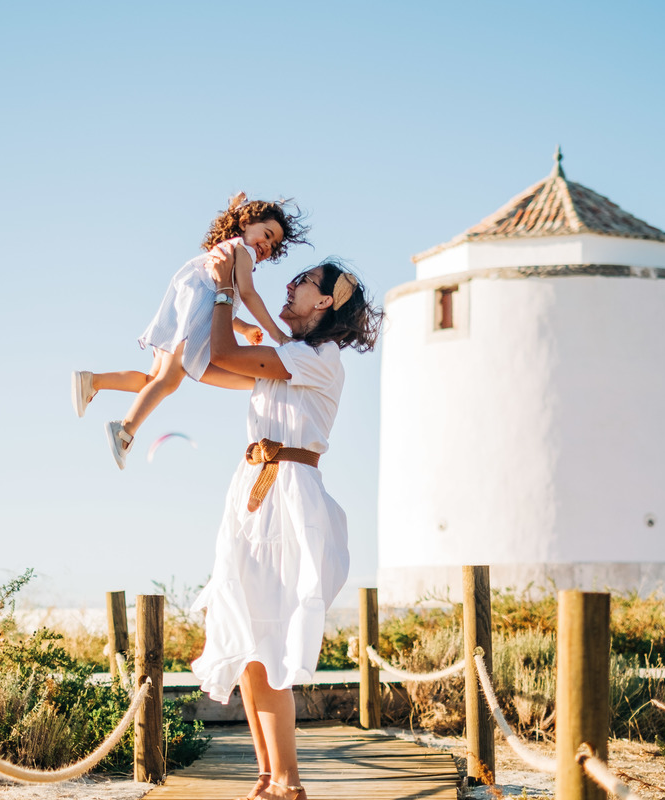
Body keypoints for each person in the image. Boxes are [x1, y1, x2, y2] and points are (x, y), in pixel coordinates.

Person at [190, 243, 383, 800]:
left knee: (269, 642)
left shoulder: (318, 357)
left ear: (324, 302)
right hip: (253, 496)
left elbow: (224, 351)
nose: (291, 284)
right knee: (250, 642)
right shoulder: (288, 354)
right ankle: (268, 777)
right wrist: (216, 296)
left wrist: (226, 292)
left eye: (304, 280)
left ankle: (289, 784)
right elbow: (208, 364)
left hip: (288, 502)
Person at [70, 193, 308, 469]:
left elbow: (214, 303)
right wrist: (279, 335)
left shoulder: (226, 249)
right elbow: (248, 294)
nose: (266, 245)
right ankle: (124, 430)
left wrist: (243, 328)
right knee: (168, 381)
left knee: (154, 380)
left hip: (183, 313)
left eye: (273, 244)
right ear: (245, 224)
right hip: (190, 318)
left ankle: (93, 382)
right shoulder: (244, 251)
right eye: (266, 235)